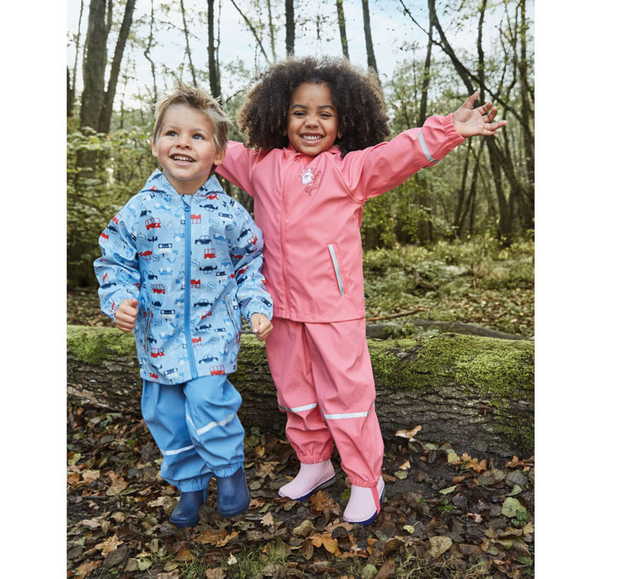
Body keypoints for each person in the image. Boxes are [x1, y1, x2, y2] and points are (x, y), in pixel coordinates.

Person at [216, 56, 506, 526]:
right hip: (277, 310)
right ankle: (314, 462)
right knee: (296, 394)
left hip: (334, 308)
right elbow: (212, 145)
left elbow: (400, 153)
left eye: (325, 113)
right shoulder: (261, 166)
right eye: (299, 112)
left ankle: (366, 479)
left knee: (347, 398)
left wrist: (450, 129)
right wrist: (183, 130)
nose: (312, 121)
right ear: (278, 116)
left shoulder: (350, 171)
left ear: (343, 121)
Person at [94, 83, 274, 528]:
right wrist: (118, 298)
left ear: (217, 154)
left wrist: (257, 305)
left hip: (212, 332)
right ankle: (190, 485)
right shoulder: (138, 210)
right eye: (172, 133)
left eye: (197, 136)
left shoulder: (230, 213)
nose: (183, 143)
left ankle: (229, 470)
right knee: (165, 413)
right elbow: (113, 261)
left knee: (209, 399)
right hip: (156, 336)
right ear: (156, 144)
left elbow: (251, 264)